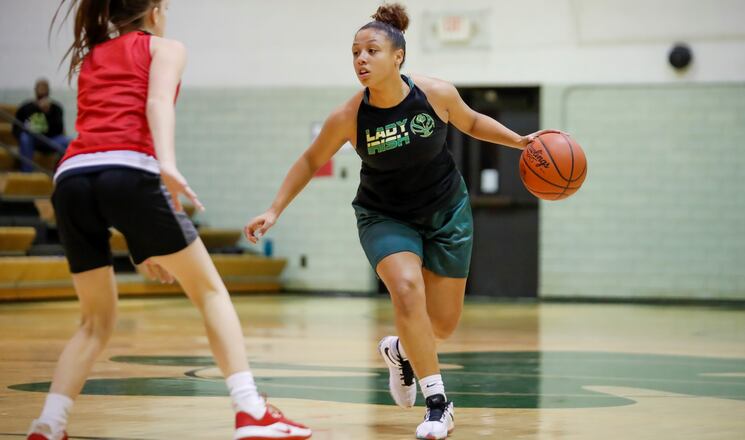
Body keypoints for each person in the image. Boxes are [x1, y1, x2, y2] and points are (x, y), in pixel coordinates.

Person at [243, 3, 558, 439]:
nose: (360, 59)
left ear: (398, 57)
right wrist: (274, 209)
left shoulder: (435, 94)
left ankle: (402, 352)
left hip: (447, 212)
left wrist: (518, 141)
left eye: (371, 50)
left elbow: (471, 120)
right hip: (384, 215)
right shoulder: (349, 116)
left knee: (442, 324)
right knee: (407, 291)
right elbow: (310, 159)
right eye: (354, 52)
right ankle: (438, 404)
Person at [27, 1, 312, 439]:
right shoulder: (165, 47)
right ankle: (250, 410)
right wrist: (168, 163)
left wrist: (148, 240)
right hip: (129, 171)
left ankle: (49, 422)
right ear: (155, 10)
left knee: (94, 322)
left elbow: (106, 159)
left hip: (71, 179)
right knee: (212, 292)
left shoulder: (92, 56)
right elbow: (158, 103)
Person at [12, 79, 71, 172]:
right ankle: (27, 173)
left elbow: (59, 129)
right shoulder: (26, 107)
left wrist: (47, 112)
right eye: (40, 88)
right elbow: (16, 128)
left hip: (51, 140)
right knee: (24, 138)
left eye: (44, 89)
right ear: (35, 90)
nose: (42, 92)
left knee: (68, 141)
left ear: (48, 91)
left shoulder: (56, 108)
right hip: (33, 140)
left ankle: (60, 171)